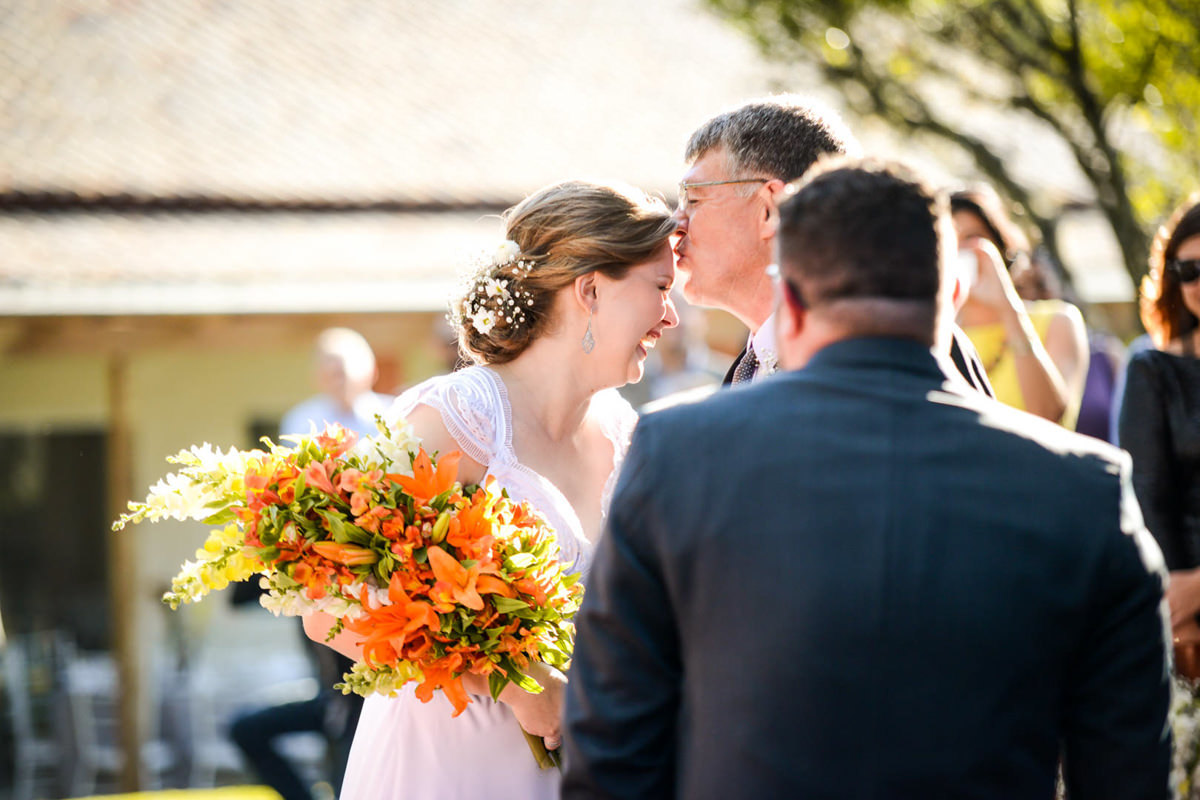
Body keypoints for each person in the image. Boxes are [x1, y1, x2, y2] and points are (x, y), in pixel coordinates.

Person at [562, 159, 1172, 798]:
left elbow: (612, 749)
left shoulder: (677, 454)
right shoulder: (1085, 490)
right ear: (953, 299)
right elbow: (1128, 776)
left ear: (790, 303)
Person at [302, 179, 679, 799]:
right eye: (660, 289)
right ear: (589, 289)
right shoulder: (450, 419)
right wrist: (514, 681)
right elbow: (327, 606)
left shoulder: (628, 435)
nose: (670, 315)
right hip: (445, 762)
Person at [674, 94, 993, 396]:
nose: (676, 224)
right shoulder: (749, 368)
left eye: (693, 199)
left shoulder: (908, 345)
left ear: (770, 207)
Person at [230, 328, 389, 800]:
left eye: (347, 365)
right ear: (318, 373)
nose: (338, 376)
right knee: (338, 698)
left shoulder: (391, 415)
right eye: (329, 366)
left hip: (385, 580)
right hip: (324, 582)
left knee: (372, 705)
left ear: (370, 368)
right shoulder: (303, 420)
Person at [1119, 193, 1200, 643]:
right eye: (1190, 269)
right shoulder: (1151, 370)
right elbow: (1146, 495)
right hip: (1183, 612)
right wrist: (1182, 616)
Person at [951, 187, 1089, 425]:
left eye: (972, 238)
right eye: (950, 241)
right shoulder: (939, 333)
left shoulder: (1058, 320)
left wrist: (1008, 308)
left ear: (1002, 247)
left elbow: (1050, 416)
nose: (961, 251)